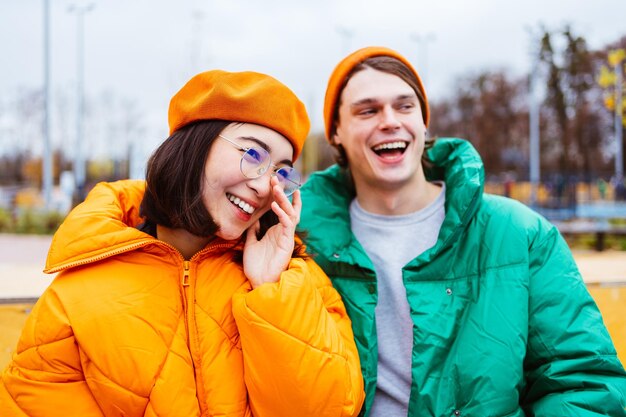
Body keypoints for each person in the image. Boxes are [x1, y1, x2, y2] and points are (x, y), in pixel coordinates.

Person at [0, 70, 365, 416]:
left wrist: (271, 292)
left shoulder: (300, 283)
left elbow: (331, 407)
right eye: (253, 155)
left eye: (281, 172)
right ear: (193, 147)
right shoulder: (76, 294)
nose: (264, 185)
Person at [298, 46, 626, 417]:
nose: (389, 120)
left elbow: (584, 383)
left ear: (424, 122)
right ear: (336, 132)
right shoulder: (300, 245)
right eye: (368, 110)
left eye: (405, 106)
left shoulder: (519, 233)